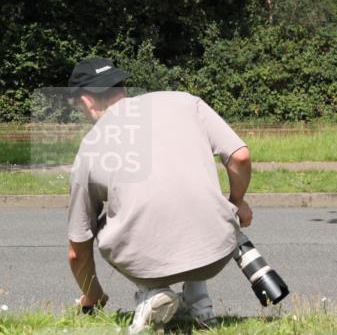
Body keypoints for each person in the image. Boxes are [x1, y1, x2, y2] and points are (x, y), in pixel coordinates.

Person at [66, 57, 252, 333]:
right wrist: (238, 200)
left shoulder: (91, 147)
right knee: (188, 193)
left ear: (88, 102)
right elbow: (240, 156)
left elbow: (77, 250)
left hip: (148, 265)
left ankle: (152, 293)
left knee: (101, 220)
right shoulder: (185, 103)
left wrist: (93, 297)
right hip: (218, 251)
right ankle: (199, 301)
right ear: (123, 89)